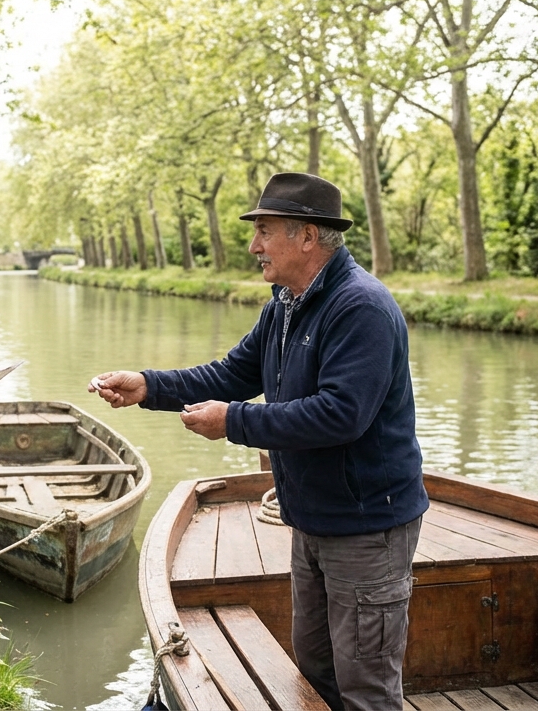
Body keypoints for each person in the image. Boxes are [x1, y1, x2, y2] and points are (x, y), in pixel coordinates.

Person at [89, 172, 429, 711]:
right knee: (316, 667)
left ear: (308, 237)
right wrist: (149, 385)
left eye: (264, 232)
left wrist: (235, 422)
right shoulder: (285, 304)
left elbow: (342, 416)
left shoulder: (360, 307)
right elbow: (230, 373)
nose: (253, 246)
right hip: (313, 518)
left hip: (367, 527)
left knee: (367, 687)